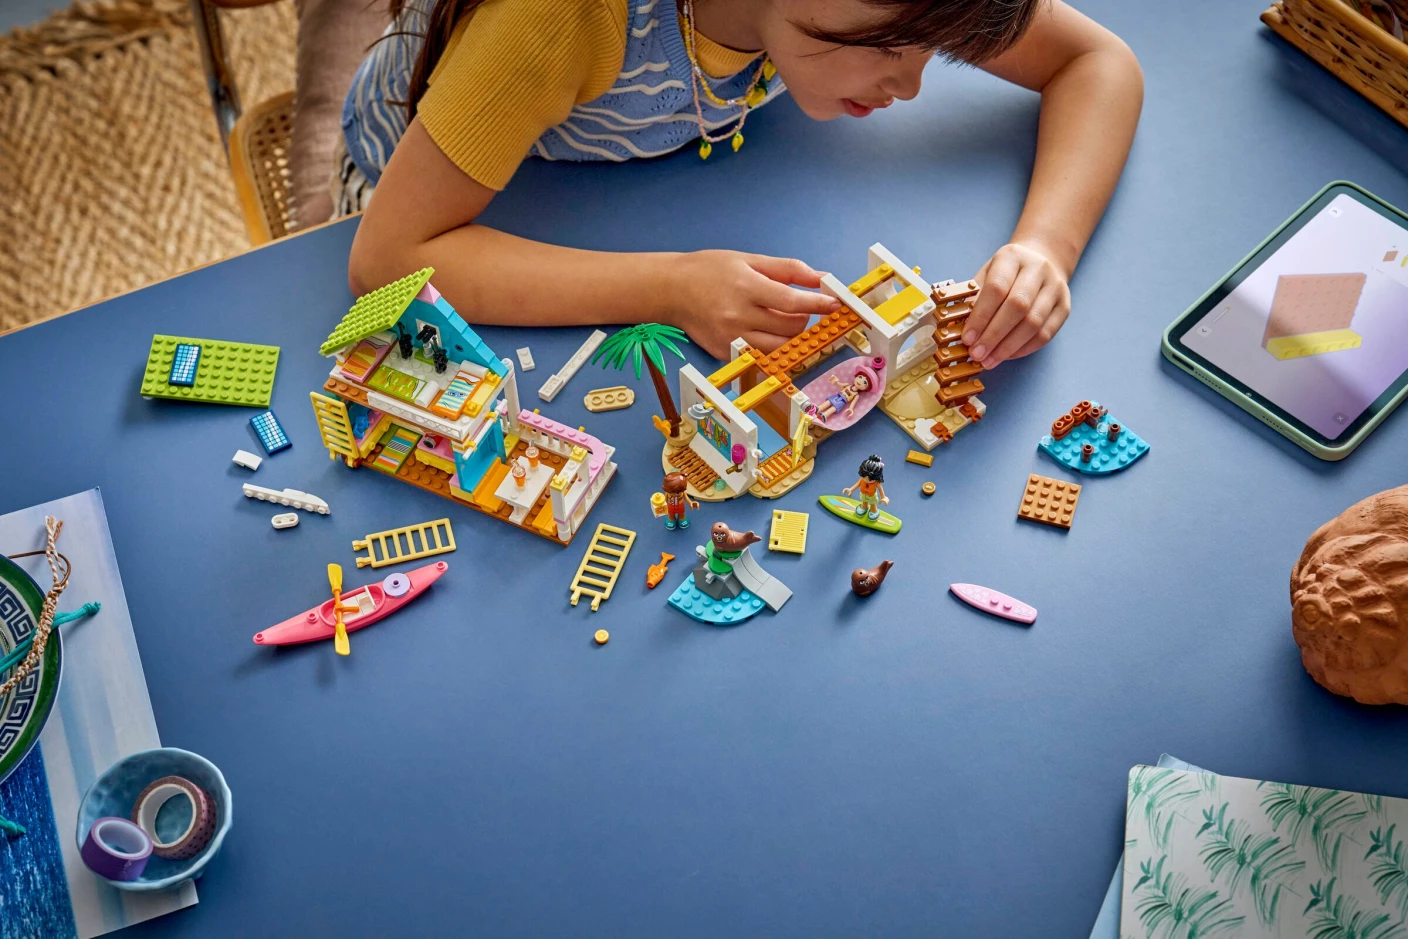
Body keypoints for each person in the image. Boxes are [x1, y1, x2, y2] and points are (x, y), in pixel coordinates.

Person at [339, 0, 1142, 365]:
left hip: (640, 174)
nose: (912, 88)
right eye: (895, 46)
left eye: (935, 51)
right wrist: (671, 287)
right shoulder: (553, 17)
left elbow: (1096, 62)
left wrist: (1046, 245)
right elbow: (390, 259)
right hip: (427, 184)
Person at [842, 453, 888, 520]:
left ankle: (874, 511)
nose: (867, 480)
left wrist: (884, 497)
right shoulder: (862, 479)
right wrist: (850, 489)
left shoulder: (876, 483)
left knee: (873, 505)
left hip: (872, 496)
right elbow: (857, 484)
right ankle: (864, 508)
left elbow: (880, 489)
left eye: (870, 479)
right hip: (863, 494)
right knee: (864, 502)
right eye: (865, 477)